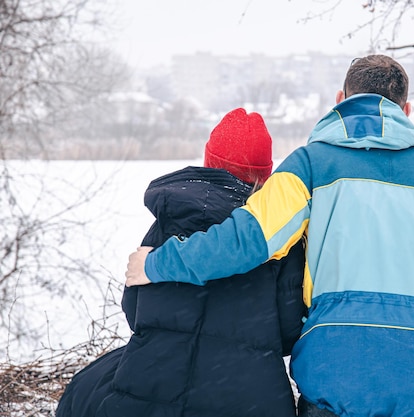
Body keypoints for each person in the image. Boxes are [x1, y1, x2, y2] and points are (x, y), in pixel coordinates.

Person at [126, 55, 414, 417]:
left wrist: (157, 263)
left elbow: (245, 241)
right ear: (407, 110)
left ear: (341, 100)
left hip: (336, 375)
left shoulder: (309, 166)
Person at [57, 108, 306, 417]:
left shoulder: (166, 222)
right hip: (247, 397)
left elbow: (134, 309)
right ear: (265, 173)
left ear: (209, 161)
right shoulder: (274, 237)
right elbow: (290, 328)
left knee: (83, 390)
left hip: (151, 387)